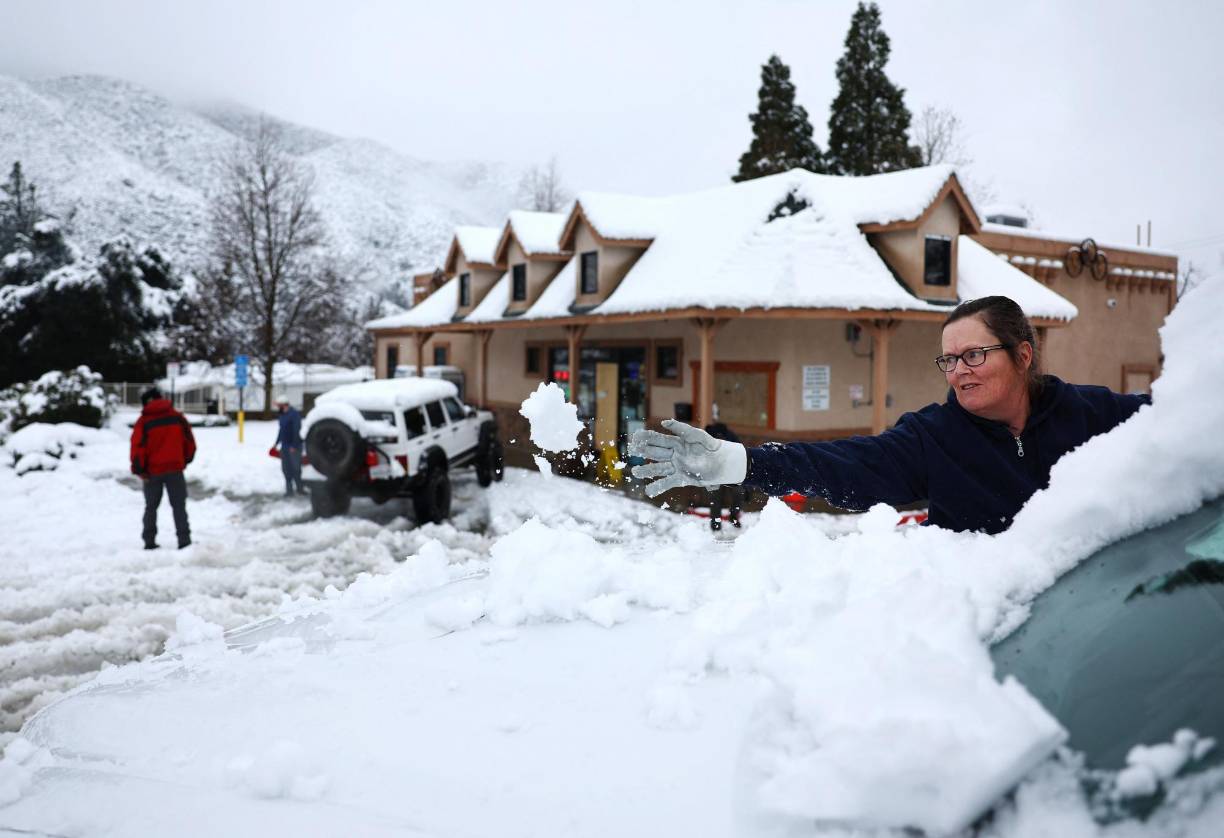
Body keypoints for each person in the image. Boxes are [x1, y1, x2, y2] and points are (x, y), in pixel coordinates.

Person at [630, 296, 1151, 535]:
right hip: (993, 626)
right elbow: (845, 464)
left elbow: (1185, 425)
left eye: (974, 355)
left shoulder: (1090, 413)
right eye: (949, 360)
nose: (959, 372)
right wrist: (741, 462)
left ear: (1022, 354)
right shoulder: (933, 437)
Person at [130, 386, 196, 549]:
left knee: (151, 507)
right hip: (175, 469)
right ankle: (184, 541)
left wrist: (140, 470)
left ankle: (149, 540)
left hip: (152, 472)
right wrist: (183, 460)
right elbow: (190, 442)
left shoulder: (143, 422)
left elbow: (137, 447)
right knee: (179, 506)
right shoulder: (177, 417)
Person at [703, 417, 743, 532]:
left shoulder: (731, 437)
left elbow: (740, 451)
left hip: (730, 470)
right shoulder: (706, 438)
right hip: (714, 472)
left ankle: (734, 516)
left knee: (738, 493)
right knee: (715, 497)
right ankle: (715, 523)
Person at [272, 394, 305, 496]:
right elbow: (281, 430)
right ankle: (289, 490)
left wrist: (294, 446)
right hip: (285, 447)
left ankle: (300, 489)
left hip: (294, 447)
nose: (278, 408)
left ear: (284, 405)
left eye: (279, 406)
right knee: (286, 469)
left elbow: (297, 431)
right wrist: (276, 443)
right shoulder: (282, 415)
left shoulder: (294, 415)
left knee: (296, 468)